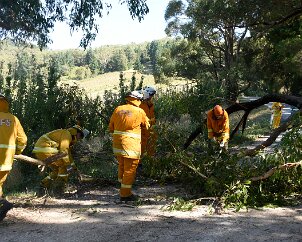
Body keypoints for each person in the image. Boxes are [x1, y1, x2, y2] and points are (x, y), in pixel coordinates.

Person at [109, 91, 149, 201]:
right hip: (131, 146)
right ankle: (125, 194)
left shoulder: (118, 109)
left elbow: (111, 128)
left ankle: (122, 189)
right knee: (130, 170)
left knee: (121, 166)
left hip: (117, 145)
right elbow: (147, 128)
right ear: (138, 100)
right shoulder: (140, 111)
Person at [33, 125, 89, 195]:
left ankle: (42, 187)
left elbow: (68, 155)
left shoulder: (66, 135)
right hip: (46, 149)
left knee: (56, 170)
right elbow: (64, 152)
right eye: (80, 136)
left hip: (40, 151)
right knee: (64, 167)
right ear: (77, 132)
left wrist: (74, 168)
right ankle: (58, 189)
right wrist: (68, 166)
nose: (80, 138)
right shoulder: (67, 134)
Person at [0, 94, 27, 221]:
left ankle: (2, 204)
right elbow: (23, 139)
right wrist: (17, 151)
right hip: (6, 161)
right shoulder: (13, 119)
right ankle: (1, 205)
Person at [140, 86, 157, 157]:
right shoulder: (140, 105)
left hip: (151, 128)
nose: (151, 97)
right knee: (142, 145)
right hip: (143, 129)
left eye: (152, 95)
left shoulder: (151, 104)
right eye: (151, 95)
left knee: (152, 143)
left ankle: (150, 159)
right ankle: (140, 162)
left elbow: (152, 116)